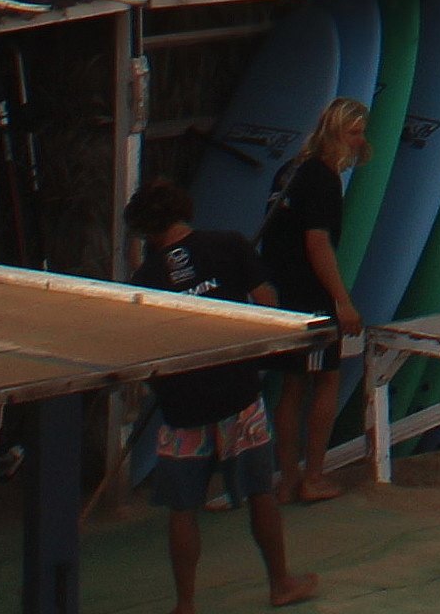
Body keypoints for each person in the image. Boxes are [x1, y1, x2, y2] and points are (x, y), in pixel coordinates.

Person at [124, 179, 319, 612]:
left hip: (182, 406)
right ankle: (280, 583)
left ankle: (185, 605)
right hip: (238, 395)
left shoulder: (145, 279)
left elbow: (144, 348)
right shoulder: (229, 245)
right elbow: (267, 303)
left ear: (145, 230)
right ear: (183, 209)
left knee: (183, 509)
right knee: (259, 493)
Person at [258, 95, 372, 509]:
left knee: (292, 384)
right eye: (354, 133)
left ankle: (288, 477)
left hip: (282, 287)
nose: (358, 142)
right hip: (310, 293)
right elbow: (317, 242)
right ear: (336, 133)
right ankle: (313, 476)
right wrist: (342, 301)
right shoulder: (323, 178)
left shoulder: (290, 171)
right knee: (326, 378)